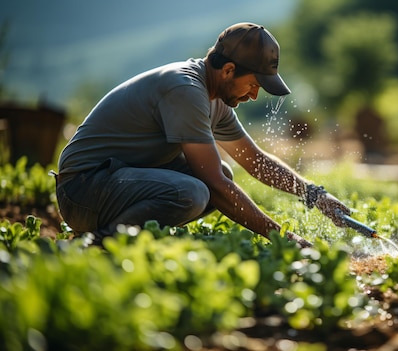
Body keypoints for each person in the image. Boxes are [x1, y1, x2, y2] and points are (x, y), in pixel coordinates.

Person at [55, 22, 351, 247]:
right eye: (253, 84)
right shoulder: (185, 91)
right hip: (83, 189)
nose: (255, 93)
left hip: (116, 179)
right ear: (229, 70)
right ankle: (101, 244)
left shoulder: (214, 99)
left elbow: (255, 161)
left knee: (219, 173)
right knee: (195, 191)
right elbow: (216, 186)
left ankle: (125, 235)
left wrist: (316, 195)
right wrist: (284, 239)